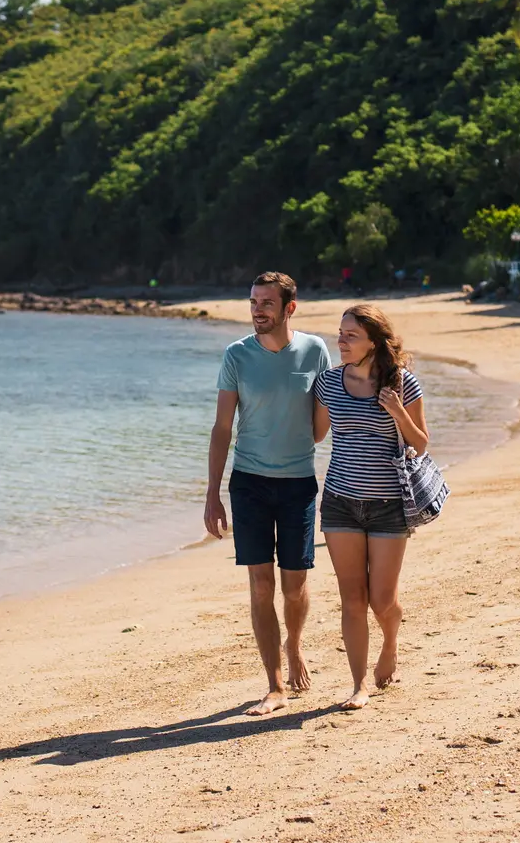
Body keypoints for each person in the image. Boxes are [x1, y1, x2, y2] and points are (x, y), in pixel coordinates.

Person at [204, 271, 333, 716]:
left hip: (298, 482)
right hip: (249, 482)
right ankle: (274, 685)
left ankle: (295, 644)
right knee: (261, 584)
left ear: (288, 308)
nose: (257, 309)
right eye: (253, 301)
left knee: (294, 586)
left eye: (266, 303)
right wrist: (211, 494)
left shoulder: (315, 350)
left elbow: (321, 427)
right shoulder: (236, 355)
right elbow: (223, 428)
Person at [312, 304, 428, 710]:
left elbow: (420, 444)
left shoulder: (402, 383)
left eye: (350, 335)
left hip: (388, 506)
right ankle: (357, 685)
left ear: (374, 342)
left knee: (382, 600)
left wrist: (396, 411)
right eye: (339, 333)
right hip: (340, 503)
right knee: (352, 598)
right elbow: (313, 434)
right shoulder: (327, 382)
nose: (340, 342)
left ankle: (391, 642)